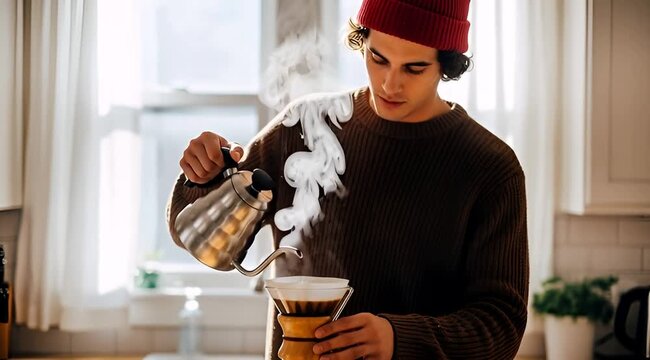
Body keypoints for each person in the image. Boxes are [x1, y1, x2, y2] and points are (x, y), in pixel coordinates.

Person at [167, 0, 529, 359]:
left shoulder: (490, 168)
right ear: (362, 40)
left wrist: (398, 339)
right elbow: (195, 238)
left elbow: (500, 326)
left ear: (446, 64)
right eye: (378, 58)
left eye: (414, 69)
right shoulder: (302, 126)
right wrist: (203, 177)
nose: (389, 84)